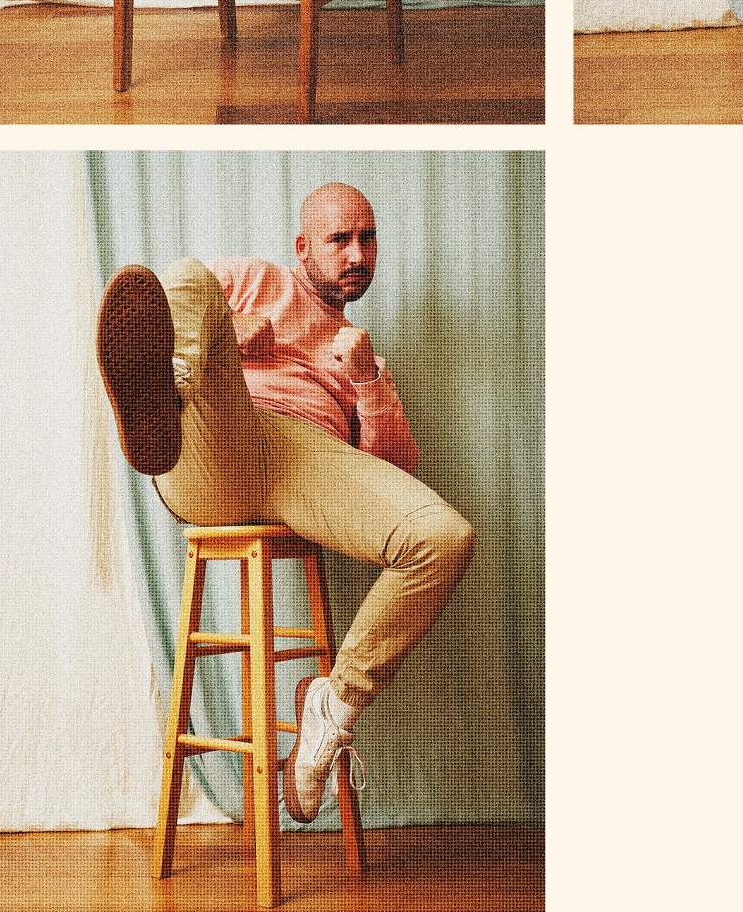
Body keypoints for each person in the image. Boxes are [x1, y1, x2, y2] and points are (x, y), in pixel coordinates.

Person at [93, 183, 472, 822]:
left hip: (306, 463)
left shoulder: (365, 356)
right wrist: (231, 334)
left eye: (368, 239)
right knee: (187, 280)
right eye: (340, 239)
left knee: (443, 536)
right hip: (218, 444)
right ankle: (169, 390)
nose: (357, 254)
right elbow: (157, 304)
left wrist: (367, 383)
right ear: (303, 248)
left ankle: (331, 708)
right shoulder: (254, 281)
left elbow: (388, 471)